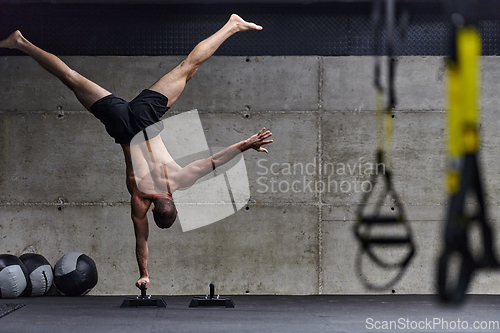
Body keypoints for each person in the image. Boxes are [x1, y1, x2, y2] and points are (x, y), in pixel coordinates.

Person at [0, 14, 272, 290]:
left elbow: (215, 160)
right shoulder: (140, 198)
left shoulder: (179, 180)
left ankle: (232, 25)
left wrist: (246, 144)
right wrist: (145, 274)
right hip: (121, 126)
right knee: (71, 78)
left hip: (147, 119)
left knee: (188, 67)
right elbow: (141, 240)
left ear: (173, 204)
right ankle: (21, 42)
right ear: (152, 209)